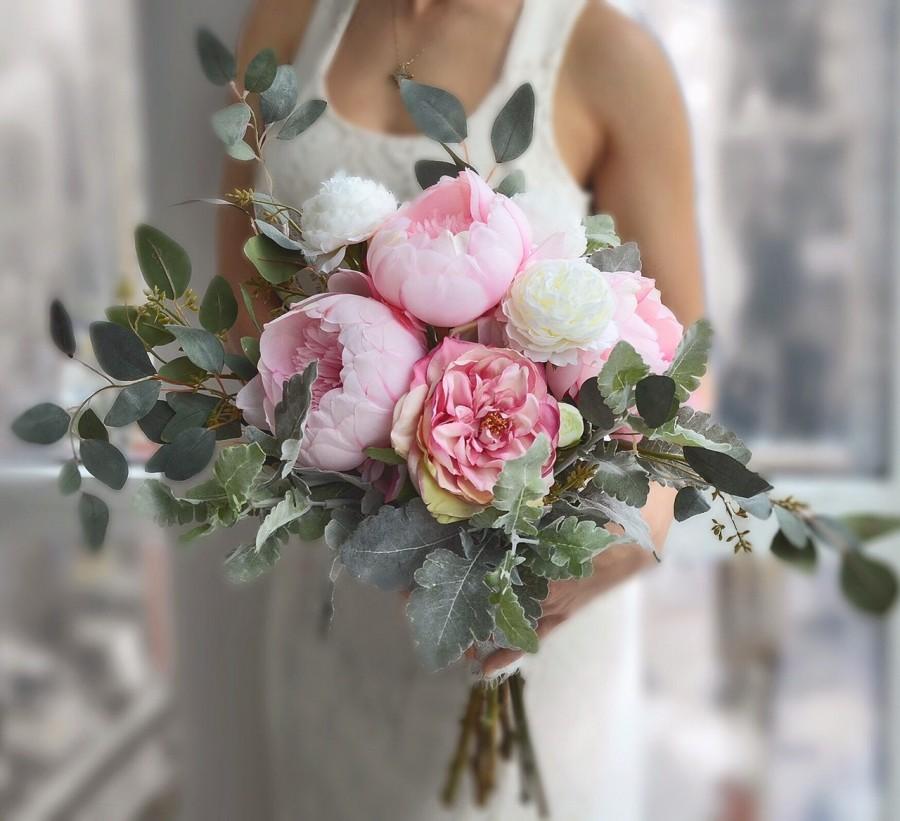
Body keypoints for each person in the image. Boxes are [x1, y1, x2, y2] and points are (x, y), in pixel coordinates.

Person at [218, 1, 707, 817]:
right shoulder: (284, 24)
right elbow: (247, 326)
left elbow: (685, 375)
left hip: (529, 635)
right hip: (334, 624)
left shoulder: (607, 57)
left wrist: (637, 531)